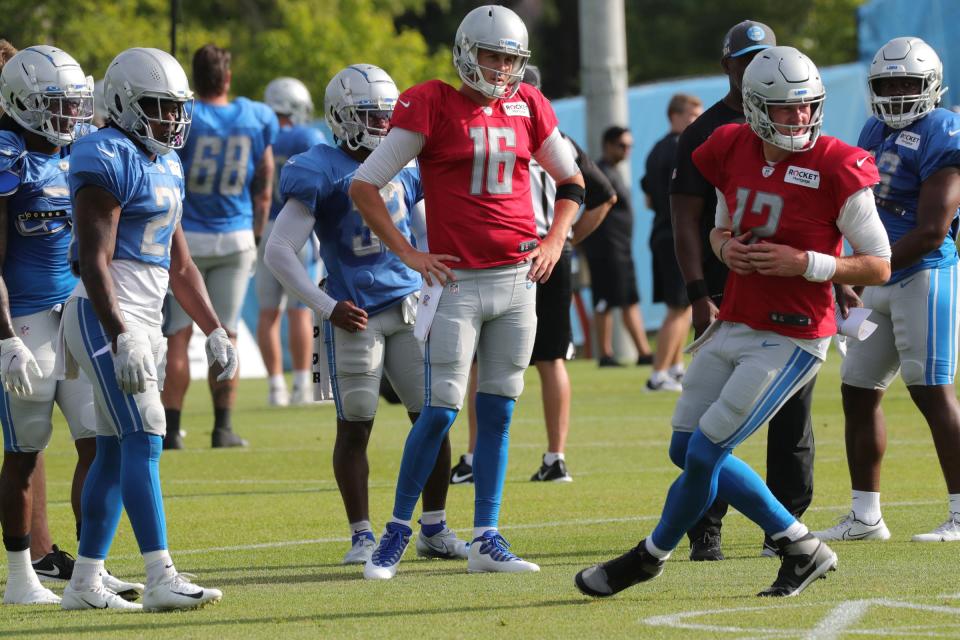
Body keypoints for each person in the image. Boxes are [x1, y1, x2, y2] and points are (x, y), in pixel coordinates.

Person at [575, 46, 891, 599]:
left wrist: (808, 263)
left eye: (808, 107)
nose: (801, 118)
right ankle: (800, 544)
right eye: (787, 109)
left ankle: (649, 557)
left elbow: (879, 263)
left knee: (703, 453)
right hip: (736, 318)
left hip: (793, 331)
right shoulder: (727, 145)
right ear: (756, 107)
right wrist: (726, 250)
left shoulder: (838, 163)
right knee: (685, 450)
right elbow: (721, 225)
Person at [349, 4, 584, 579]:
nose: (502, 68)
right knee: (438, 414)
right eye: (492, 55)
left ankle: (487, 537)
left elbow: (573, 178)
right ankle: (398, 534)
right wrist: (409, 253)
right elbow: (365, 183)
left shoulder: (528, 104)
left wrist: (555, 237)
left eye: (511, 58)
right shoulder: (431, 101)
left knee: (500, 411)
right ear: (464, 52)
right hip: (456, 282)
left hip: (518, 281)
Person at [264, 64, 468, 565]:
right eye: (369, 115)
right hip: (353, 313)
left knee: (434, 419)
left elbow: (425, 231)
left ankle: (435, 527)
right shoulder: (320, 168)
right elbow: (280, 250)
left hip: (408, 308)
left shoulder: (404, 166)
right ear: (340, 117)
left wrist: (437, 281)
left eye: (385, 115)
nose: (381, 125)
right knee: (355, 424)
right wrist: (325, 306)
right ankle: (361, 535)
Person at [59, 46, 231, 611]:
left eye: (175, 108)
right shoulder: (105, 154)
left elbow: (179, 264)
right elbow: (93, 259)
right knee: (147, 434)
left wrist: (213, 328)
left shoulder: (167, 163)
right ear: (125, 104)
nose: (171, 120)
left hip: (144, 317)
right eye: (158, 107)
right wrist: (121, 332)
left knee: (112, 450)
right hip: (103, 315)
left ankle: (84, 583)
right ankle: (160, 575)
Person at [670, 20, 819, 561]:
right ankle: (704, 528)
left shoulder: (804, 123)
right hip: (726, 292)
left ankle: (785, 526)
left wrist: (833, 273)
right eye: (746, 58)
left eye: (766, 55)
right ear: (727, 66)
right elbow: (686, 216)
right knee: (703, 423)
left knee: (793, 418)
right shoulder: (708, 131)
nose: (756, 65)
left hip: (791, 297)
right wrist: (696, 291)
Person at [0, 45, 141, 606]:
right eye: (52, 105)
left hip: (76, 315)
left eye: (71, 103)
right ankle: (19, 576)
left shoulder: (81, 152)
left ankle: (89, 567)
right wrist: (6, 336)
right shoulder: (8, 157)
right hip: (28, 320)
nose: (67, 116)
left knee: (99, 443)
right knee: (26, 451)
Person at [814, 37, 960, 544]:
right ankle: (866, 517)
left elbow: (932, 228)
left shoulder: (944, 128)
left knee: (932, 393)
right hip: (876, 279)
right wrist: (850, 272)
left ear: (931, 85)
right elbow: (858, 212)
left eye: (907, 83)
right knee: (857, 390)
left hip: (923, 276)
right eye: (888, 83)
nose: (897, 93)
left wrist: (861, 269)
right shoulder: (873, 129)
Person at [162, 44, 278, 449]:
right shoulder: (254, 115)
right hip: (235, 236)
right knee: (224, 334)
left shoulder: (187, 118)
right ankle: (222, 428)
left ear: (194, 80)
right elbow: (265, 179)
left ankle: (172, 430)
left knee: (177, 334)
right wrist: (257, 233)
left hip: (187, 238)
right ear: (227, 77)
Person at [257, 76, 327, 407]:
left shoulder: (260, 135)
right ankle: (301, 385)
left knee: (268, 312)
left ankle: (274, 388)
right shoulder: (307, 135)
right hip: (297, 226)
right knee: (300, 310)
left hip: (266, 226)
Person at [641, 93, 702, 392]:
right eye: (691, 116)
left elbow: (648, 197)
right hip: (675, 235)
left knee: (685, 304)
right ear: (675, 116)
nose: (696, 121)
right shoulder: (680, 148)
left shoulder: (657, 149)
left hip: (663, 232)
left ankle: (675, 367)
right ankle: (657, 375)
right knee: (677, 307)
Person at [579, 125, 653, 367]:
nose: (627, 150)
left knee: (627, 298)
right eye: (622, 145)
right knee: (605, 301)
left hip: (619, 247)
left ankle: (643, 352)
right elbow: (589, 206)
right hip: (605, 249)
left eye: (630, 145)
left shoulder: (614, 171)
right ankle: (606, 354)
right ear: (608, 145)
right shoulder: (600, 171)